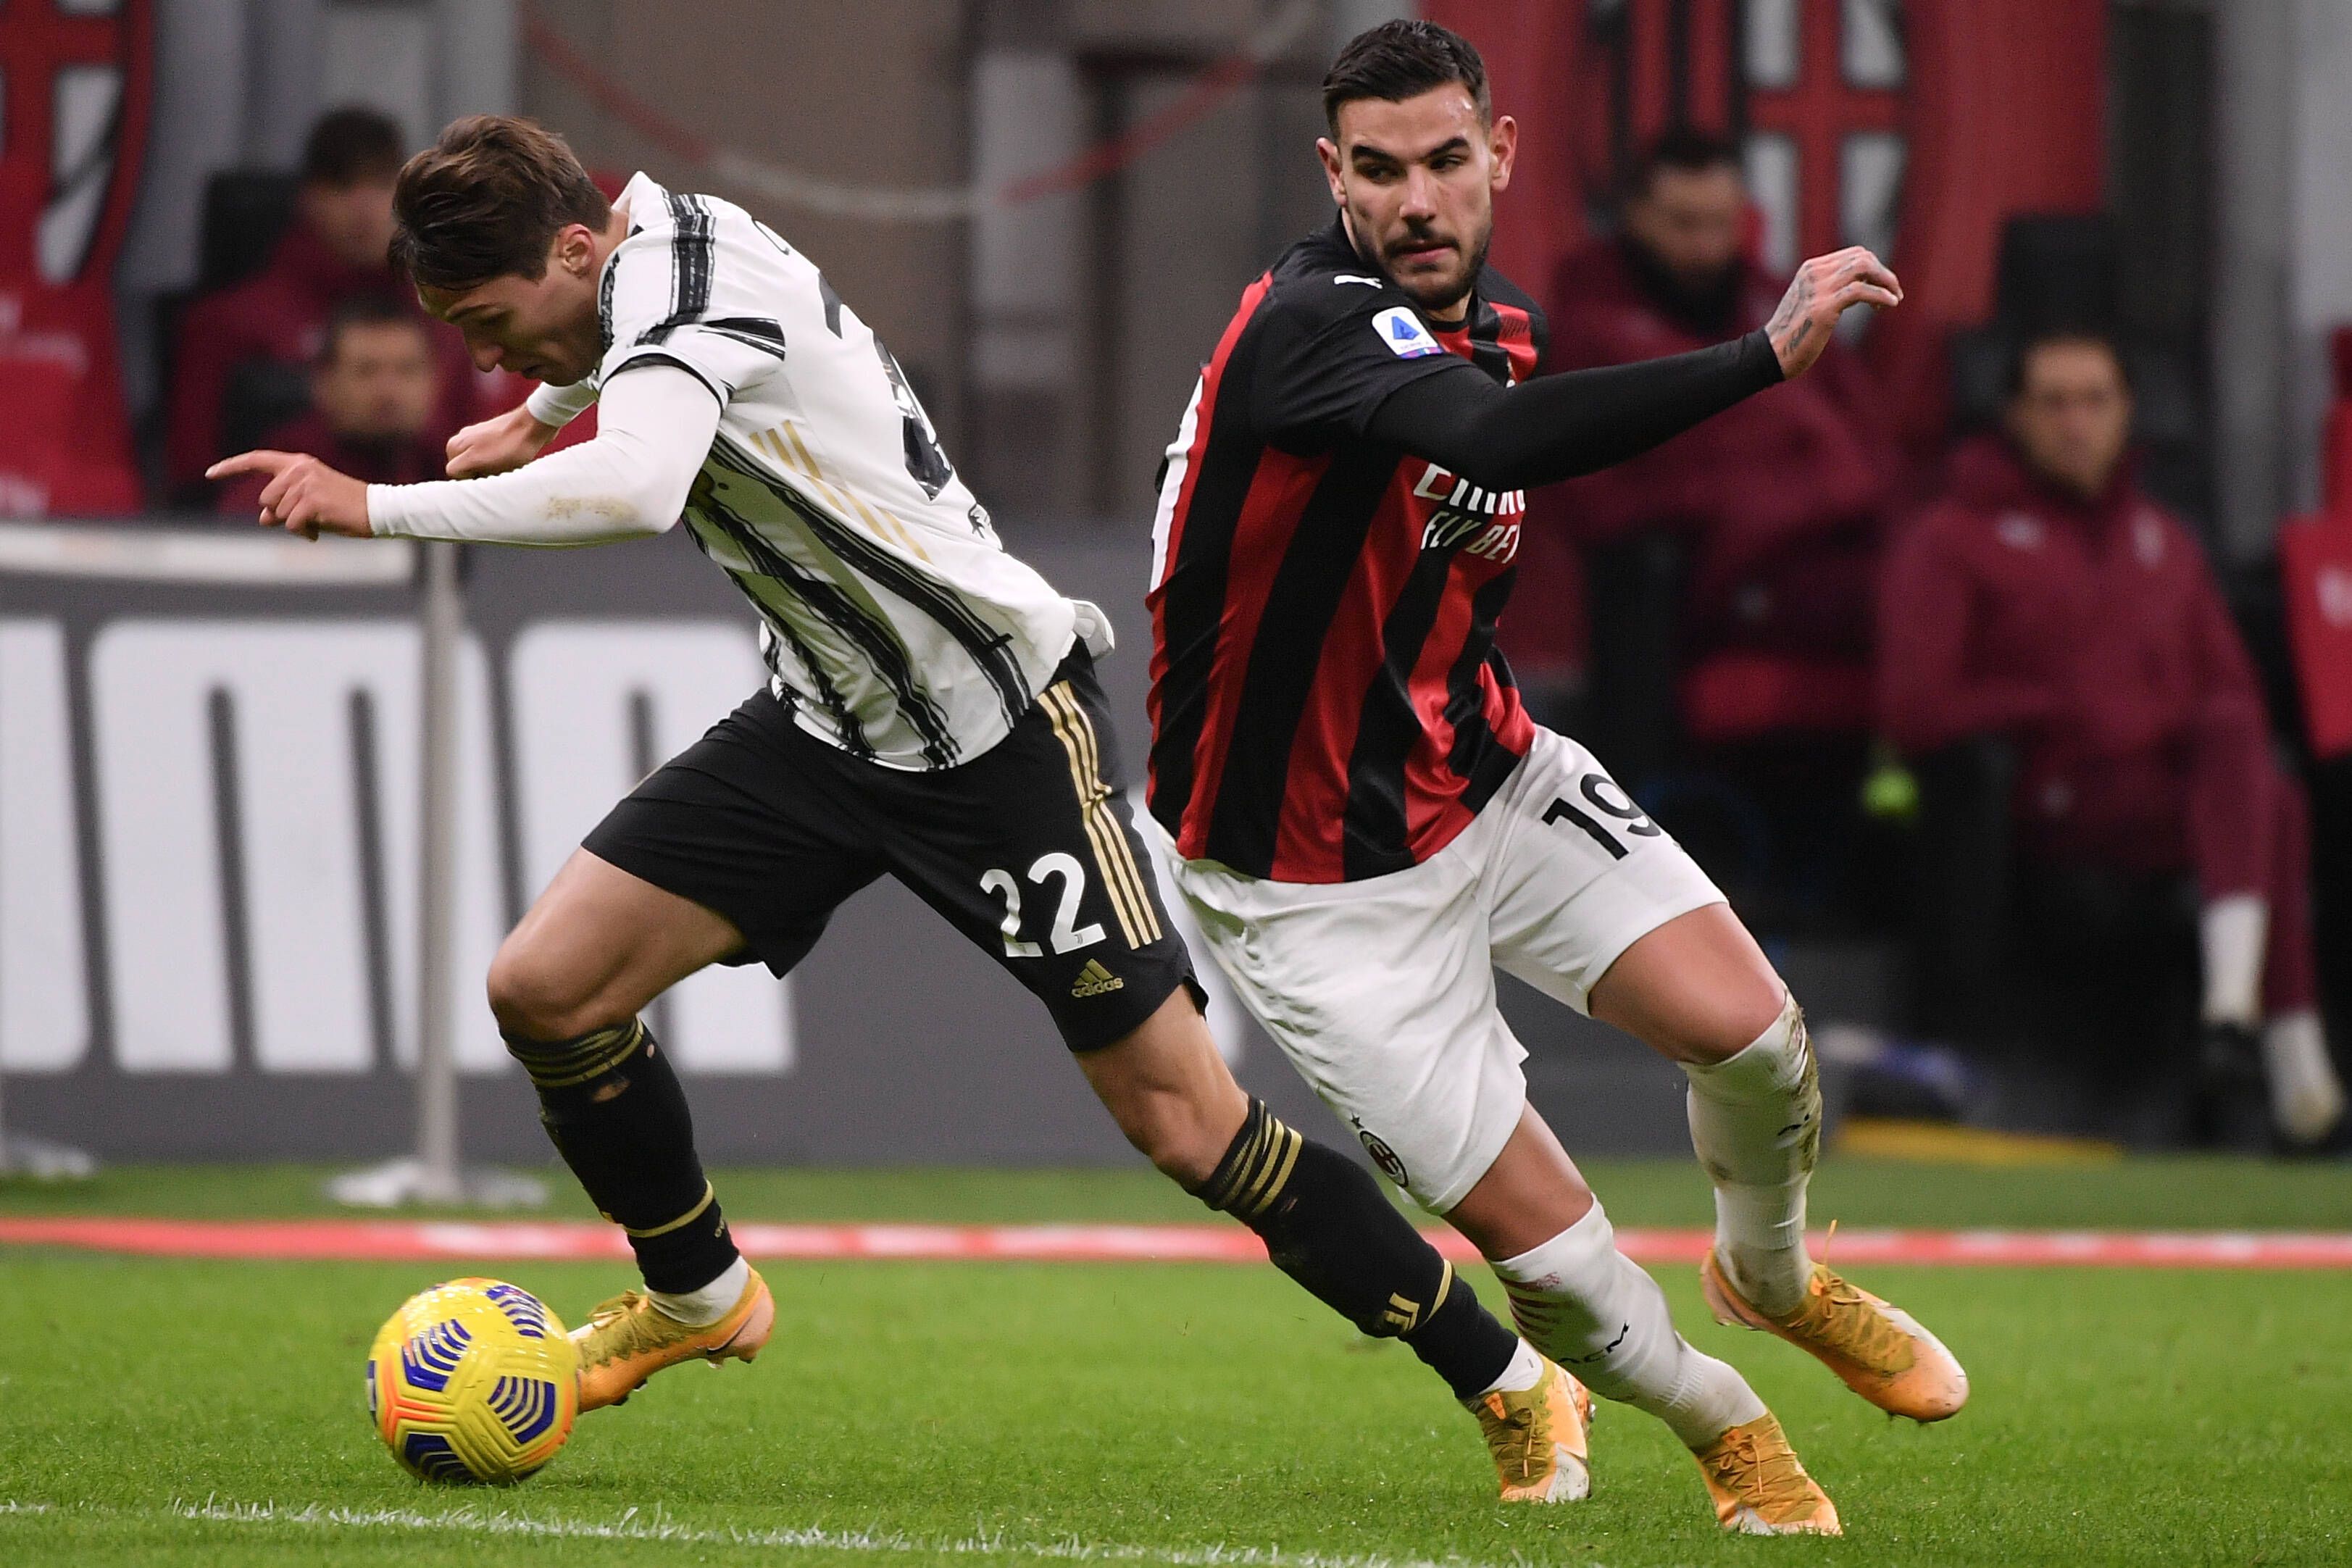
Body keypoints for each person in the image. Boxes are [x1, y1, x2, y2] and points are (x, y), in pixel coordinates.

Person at [209, 113, 1591, 1506]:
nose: (491, 357)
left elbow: (638, 482)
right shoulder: (653, 247)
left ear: (574, 249)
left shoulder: (684, 289)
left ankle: (1509, 1374)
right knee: (545, 986)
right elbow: (629, 363)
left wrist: (376, 505)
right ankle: (695, 1291)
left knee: (1191, 1126)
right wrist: (553, 401)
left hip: (999, 733)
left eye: (490, 325)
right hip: (823, 730)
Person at [1143, 22, 1966, 1538]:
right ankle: (1725, 1420)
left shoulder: (1507, 322)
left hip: (1487, 775)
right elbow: (1496, 437)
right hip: (1308, 881)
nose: (1417, 201)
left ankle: (1773, 1272)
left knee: (1761, 1042)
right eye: (1377, 170)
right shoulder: (1310, 324)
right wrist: (1761, 355)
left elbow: (1450, 564)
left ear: (1503, 154)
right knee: (1568, 1276)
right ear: (1332, 176)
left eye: (1447, 160)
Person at [1879, 329, 2347, 1148]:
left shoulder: (2163, 541)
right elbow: (1914, 707)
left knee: (2247, 754)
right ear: (2015, 416)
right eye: (2054, 402)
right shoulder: (1953, 537)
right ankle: (2286, 1040)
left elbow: (2231, 691)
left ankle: (2232, 1011)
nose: (2077, 423)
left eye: (2096, 401)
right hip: (2049, 806)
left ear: (2128, 413)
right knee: (2270, 803)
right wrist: (2065, 706)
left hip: (2167, 812)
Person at [1507, 129, 1893, 719]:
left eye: (1721, 223)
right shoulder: (1589, 327)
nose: (1707, 247)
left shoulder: (1780, 304)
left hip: (1821, 552)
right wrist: (1753, 500)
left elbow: (1870, 455)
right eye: (1684, 224)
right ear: (1636, 215)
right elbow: (1594, 497)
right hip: (1690, 586)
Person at [167, 109, 476, 499]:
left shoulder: (450, 320)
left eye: (382, 184)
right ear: (308, 197)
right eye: (343, 185)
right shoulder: (229, 323)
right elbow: (193, 483)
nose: (364, 206)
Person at [214, 296, 446, 514]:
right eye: (366, 371)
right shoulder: (275, 493)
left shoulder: (451, 477)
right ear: (324, 383)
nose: (389, 392)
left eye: (407, 370)